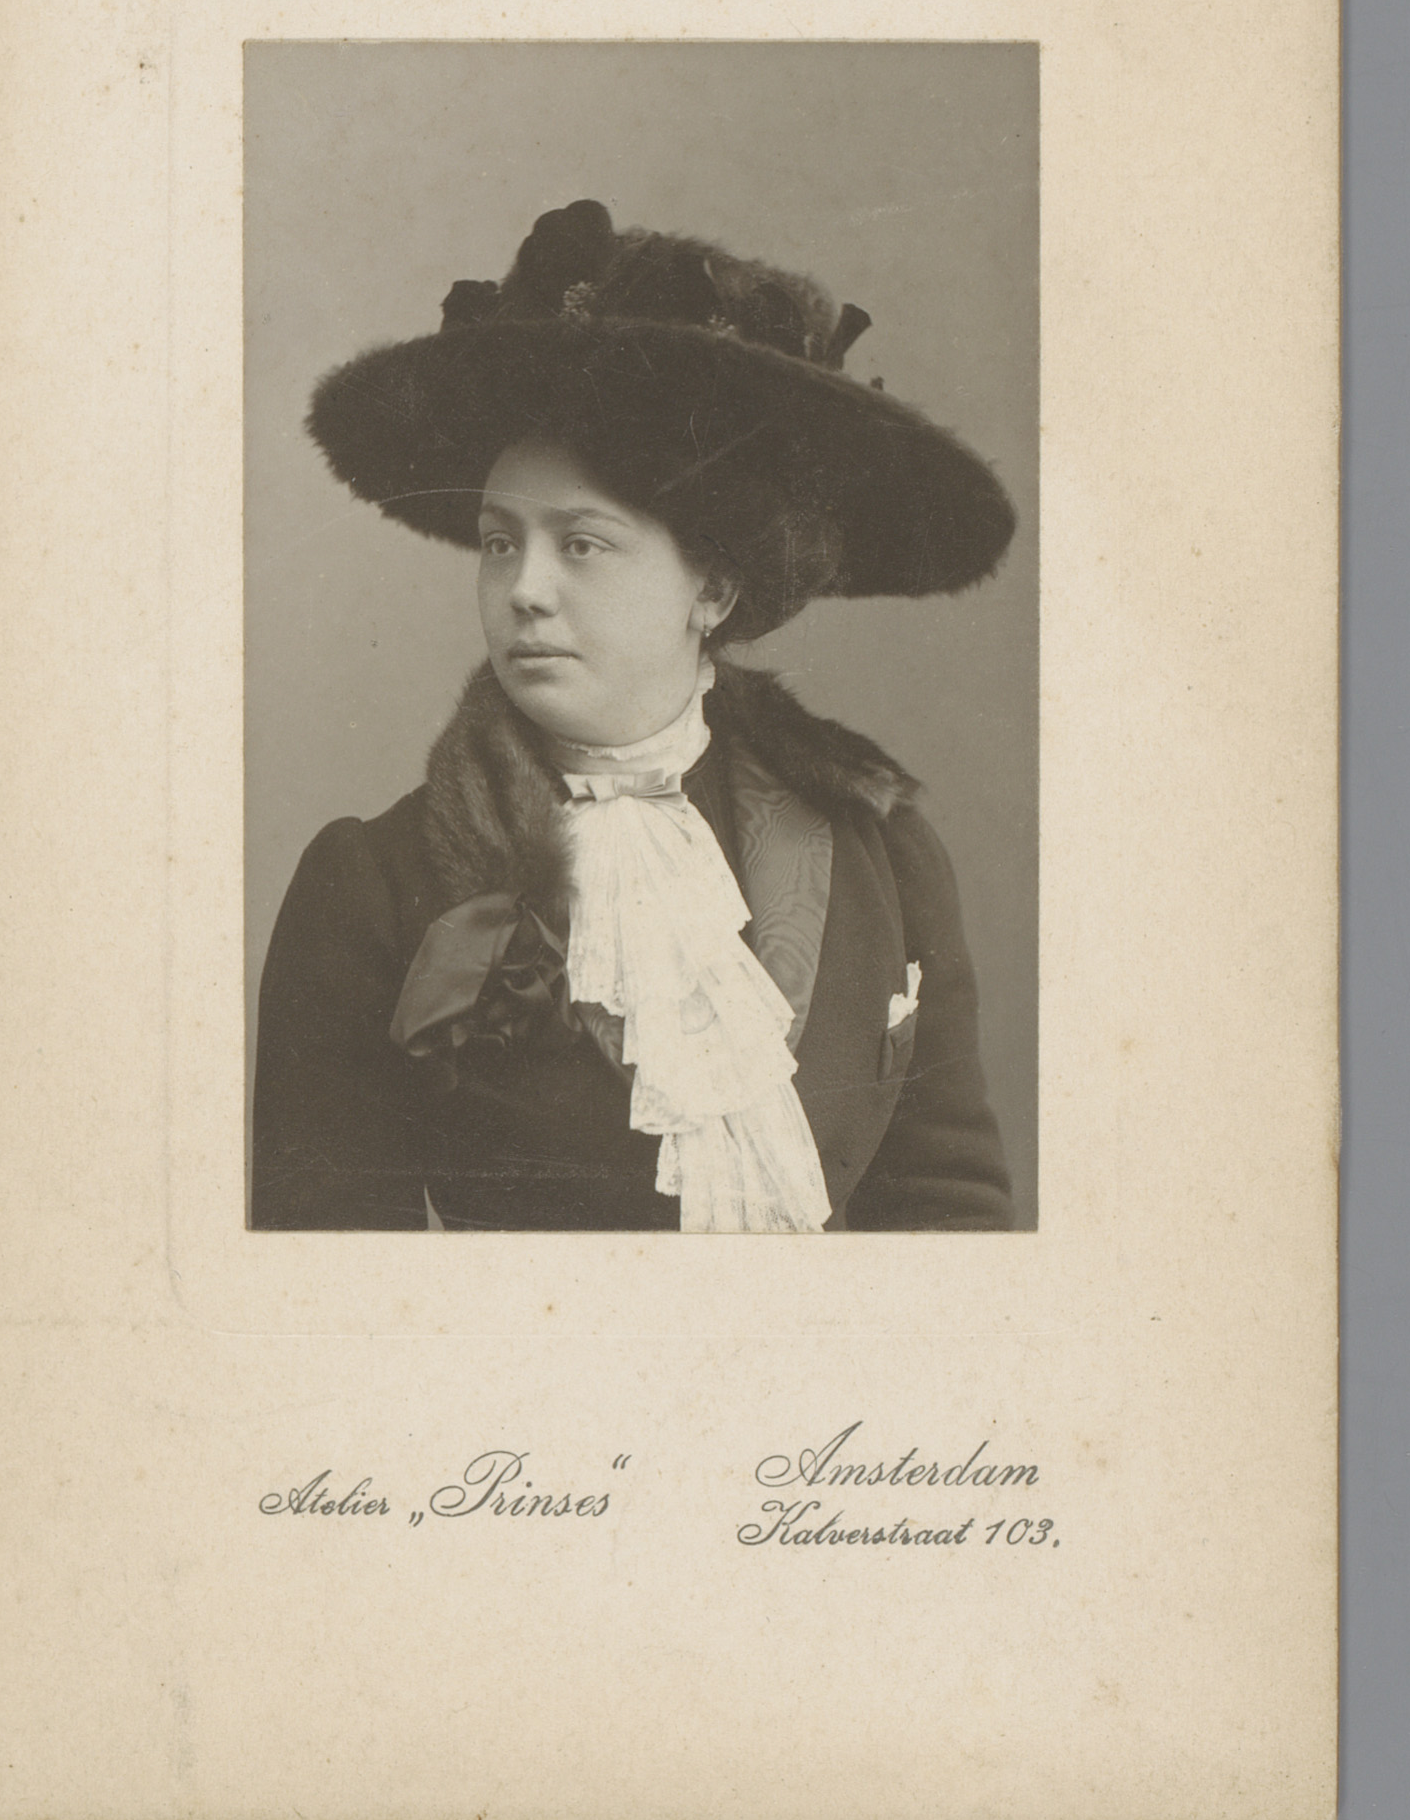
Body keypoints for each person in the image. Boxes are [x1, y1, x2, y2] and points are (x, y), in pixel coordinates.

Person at [251, 199, 1017, 1233]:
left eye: (582, 544)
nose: (524, 591)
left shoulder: (883, 861)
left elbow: (951, 1215)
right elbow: (326, 1288)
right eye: (498, 543)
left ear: (712, 589)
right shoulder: (375, 887)